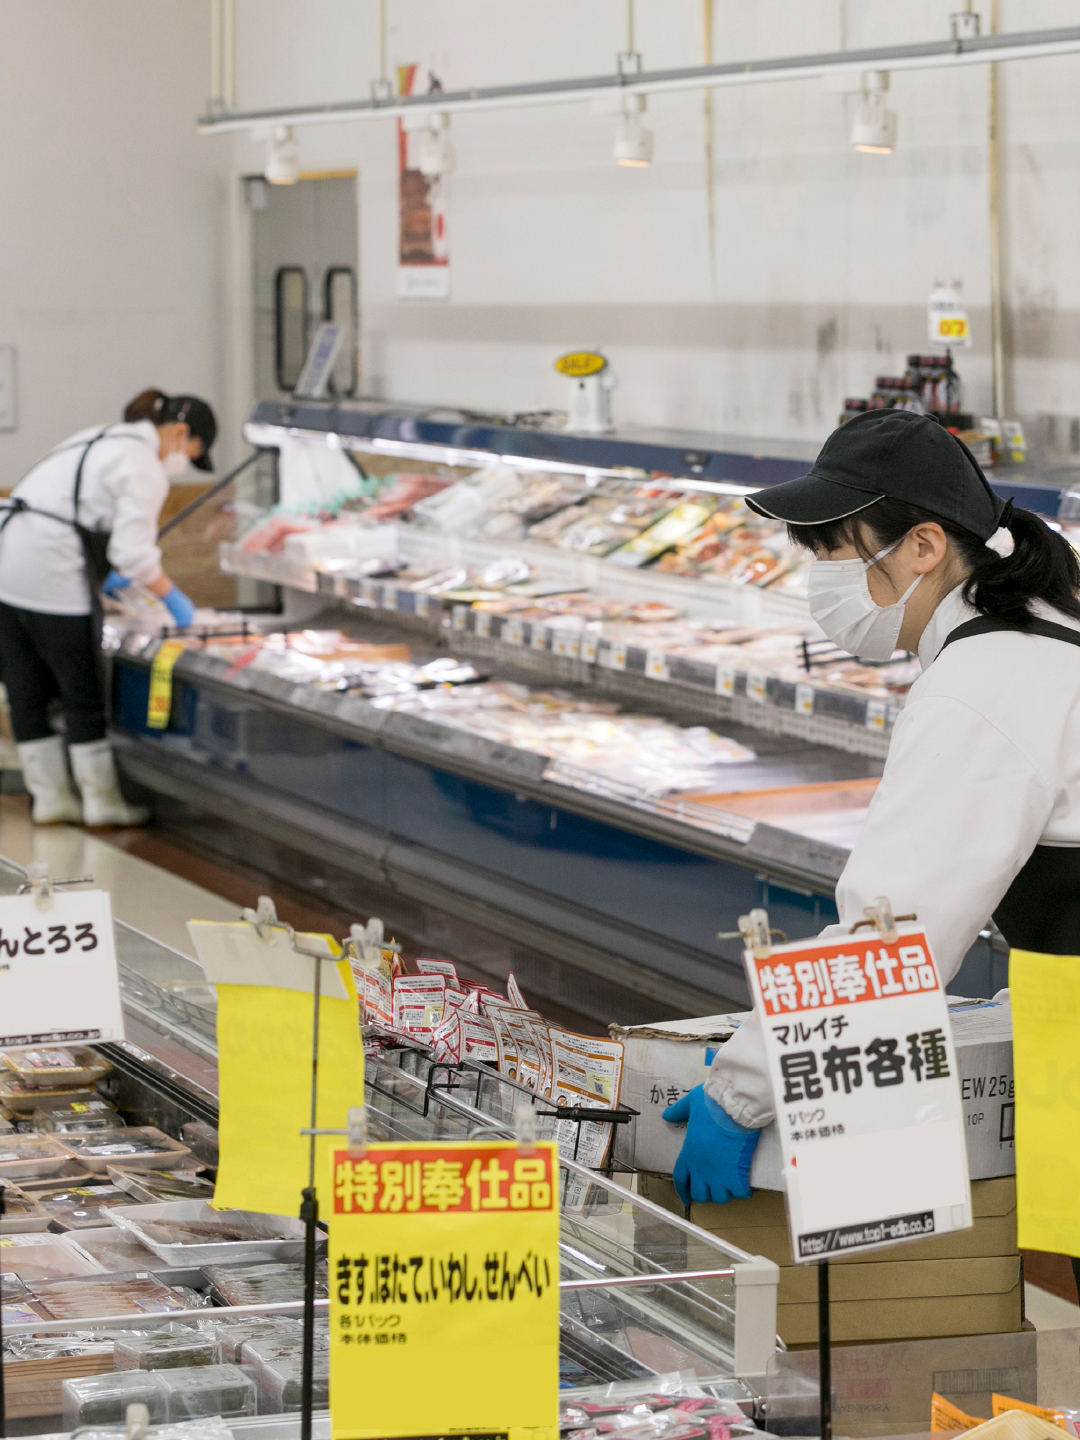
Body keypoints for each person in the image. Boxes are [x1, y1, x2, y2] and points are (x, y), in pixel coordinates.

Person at [664, 410, 1080, 1252]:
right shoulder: (1049, 636)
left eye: (832, 548)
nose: (820, 577)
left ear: (924, 546)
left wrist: (742, 1090)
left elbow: (893, 937)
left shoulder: (984, 684)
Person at [0, 393, 216, 827]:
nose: (182, 465)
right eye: (191, 455)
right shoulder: (143, 465)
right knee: (81, 689)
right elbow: (133, 553)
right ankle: (102, 803)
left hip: (6, 566)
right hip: (51, 576)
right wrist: (173, 598)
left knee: (25, 689)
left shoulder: (100, 438)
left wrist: (112, 574)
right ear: (179, 433)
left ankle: (51, 799)